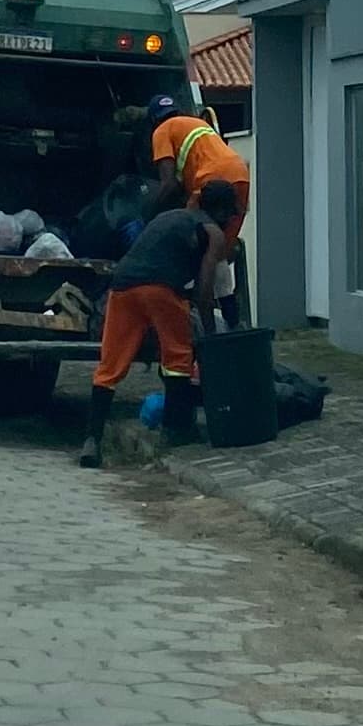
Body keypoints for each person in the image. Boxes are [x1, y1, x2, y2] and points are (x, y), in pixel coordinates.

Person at [79, 180, 239, 468]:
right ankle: (176, 431)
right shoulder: (213, 233)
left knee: (111, 365)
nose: (231, 220)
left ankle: (92, 439)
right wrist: (210, 339)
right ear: (221, 210)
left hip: (122, 286)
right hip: (162, 288)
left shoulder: (169, 217)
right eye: (230, 213)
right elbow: (204, 291)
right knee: (178, 357)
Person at [144, 94, 250, 328]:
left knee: (190, 241)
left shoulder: (162, 130)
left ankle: (194, 314)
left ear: (154, 119)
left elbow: (169, 184)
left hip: (209, 180)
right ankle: (233, 323)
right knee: (219, 249)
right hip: (239, 174)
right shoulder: (197, 123)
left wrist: (148, 217)